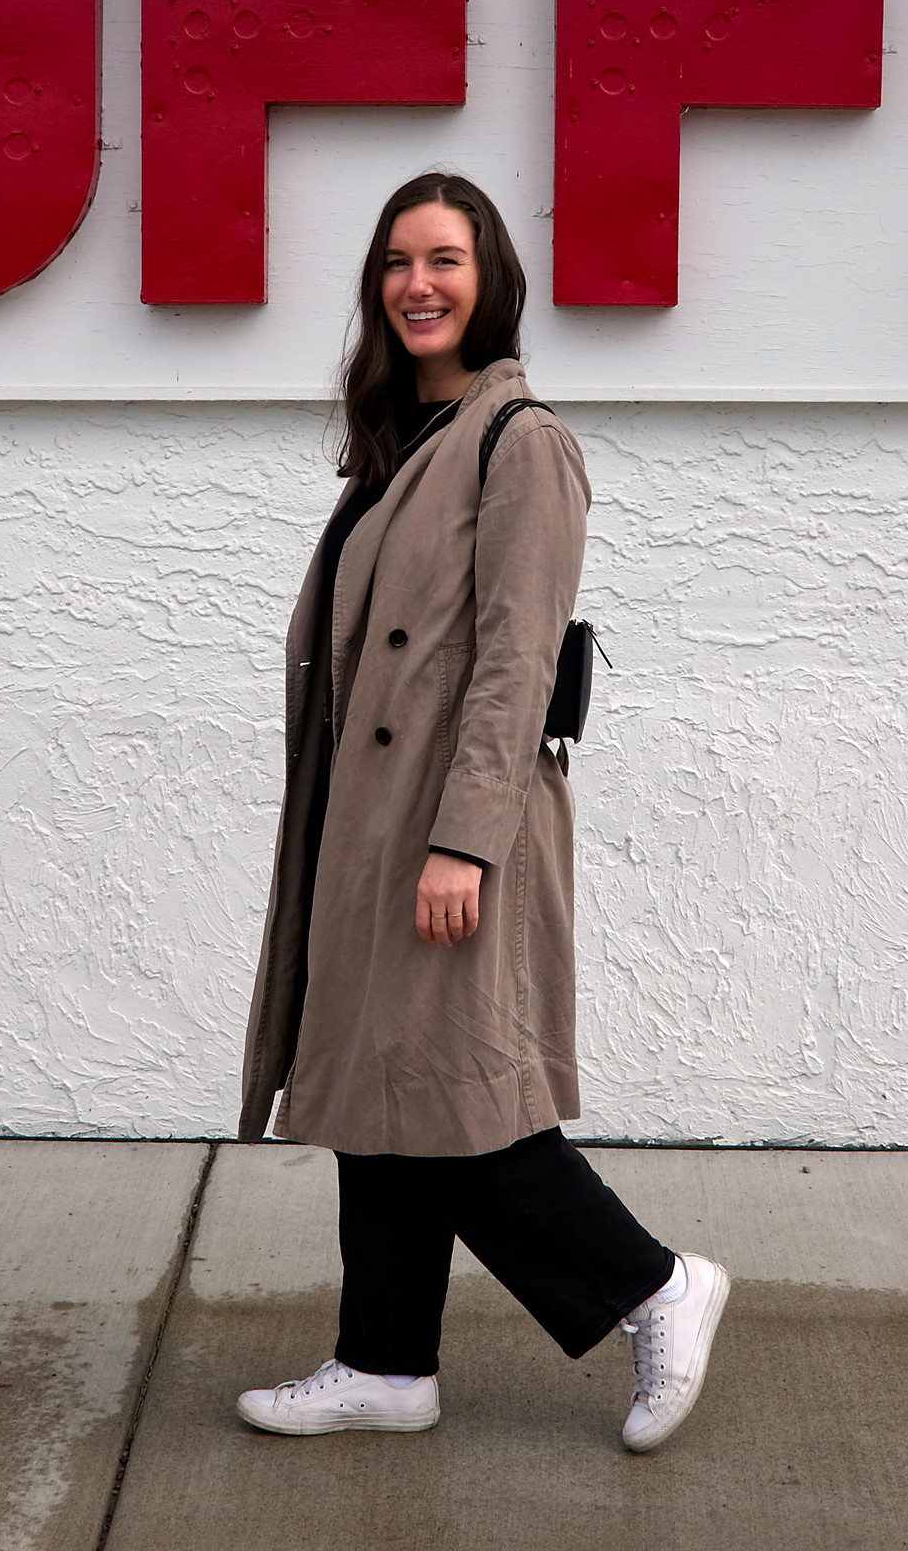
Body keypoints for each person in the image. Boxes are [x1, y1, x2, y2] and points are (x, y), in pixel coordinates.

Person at [232, 171, 730, 1453]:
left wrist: (462, 839)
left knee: (454, 1096)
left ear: (491, 278)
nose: (418, 284)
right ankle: (385, 1361)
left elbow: (516, 661)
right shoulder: (403, 438)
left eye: (445, 258)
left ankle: (654, 1284)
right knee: (373, 1086)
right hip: (368, 823)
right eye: (397, 261)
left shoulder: (523, 444)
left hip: (454, 827)